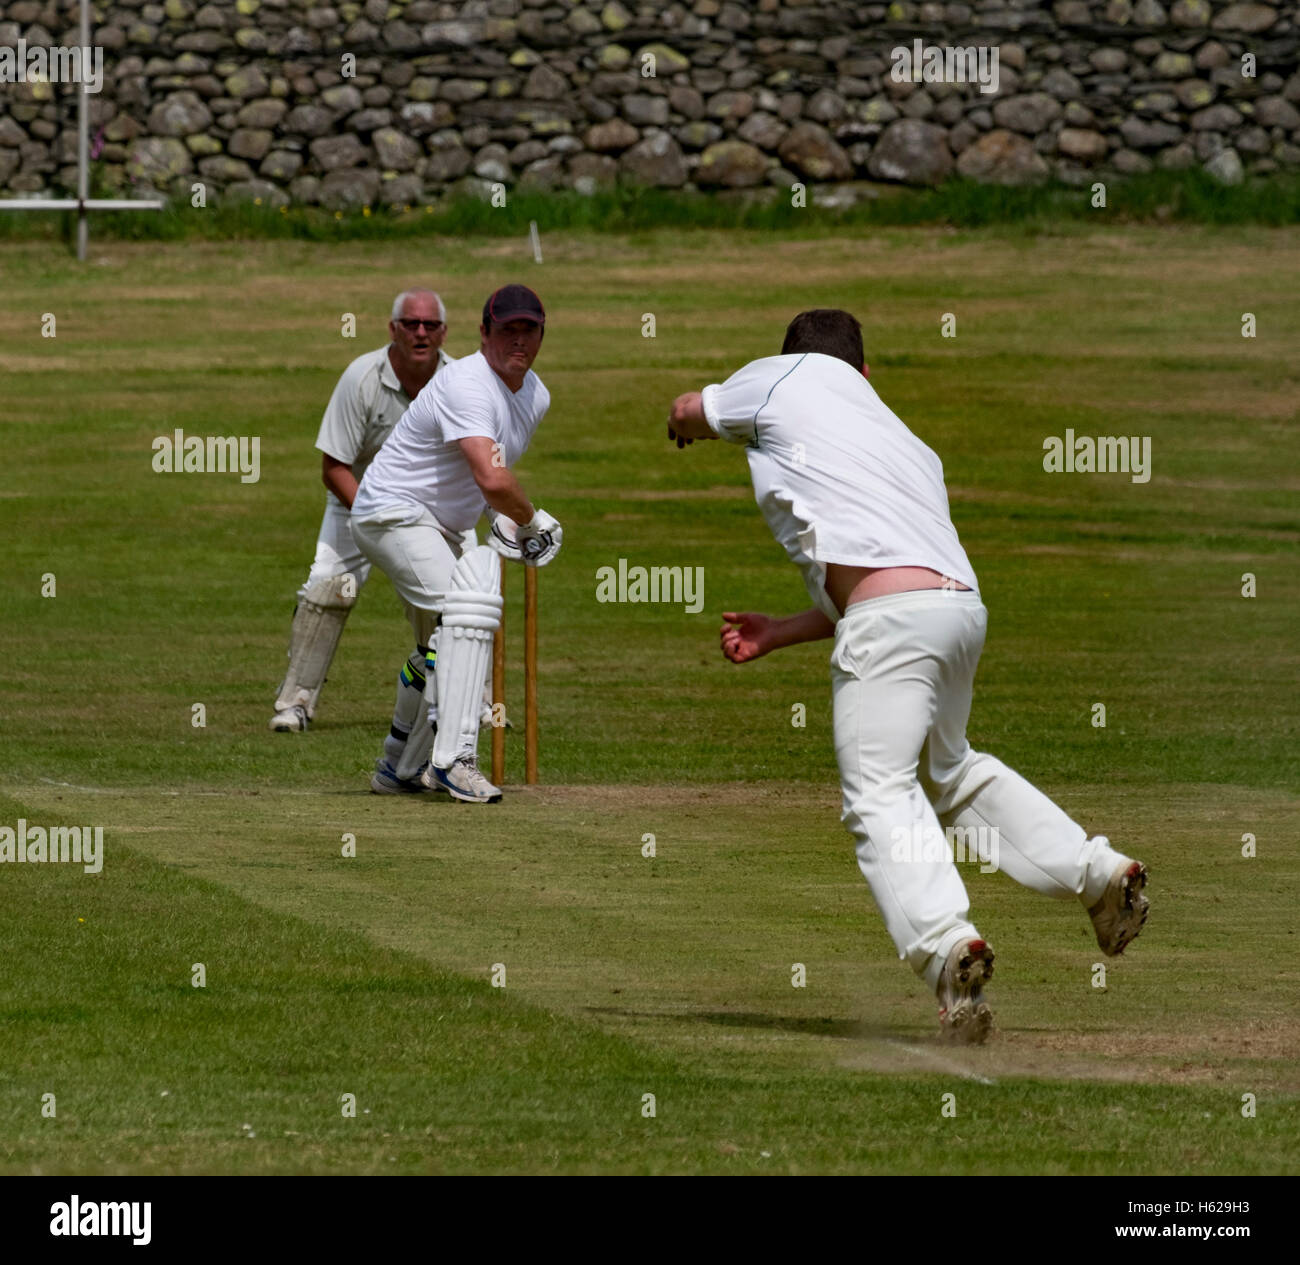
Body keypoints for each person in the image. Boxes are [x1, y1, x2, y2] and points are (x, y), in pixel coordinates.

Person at [665, 308, 1149, 1043]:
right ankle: (1096, 873)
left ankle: (947, 946)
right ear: (866, 373)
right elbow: (891, 575)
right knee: (952, 770)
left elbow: (686, 409)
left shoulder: (782, 377)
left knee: (878, 793)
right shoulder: (903, 438)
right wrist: (782, 630)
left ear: (795, 358)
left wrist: (689, 429)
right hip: (958, 610)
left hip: (893, 623)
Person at [350, 284, 561, 803]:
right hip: (392, 511)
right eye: (507, 329)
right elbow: (492, 477)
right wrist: (534, 521)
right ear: (483, 333)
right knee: (466, 617)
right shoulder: (468, 382)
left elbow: (485, 473)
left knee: (441, 646)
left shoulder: (535, 395)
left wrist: (507, 522)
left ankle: (398, 766)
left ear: (541, 335)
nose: (518, 339)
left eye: (528, 329)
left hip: (440, 524)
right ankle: (453, 761)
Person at [269, 289, 452, 732]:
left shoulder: (457, 381)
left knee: (452, 600)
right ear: (393, 329)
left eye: (430, 325)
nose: (421, 333)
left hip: (430, 507)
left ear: (444, 332)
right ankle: (295, 703)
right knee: (329, 589)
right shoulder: (362, 378)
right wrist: (376, 512)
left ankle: (461, 702)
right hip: (357, 501)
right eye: (411, 324)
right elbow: (334, 468)